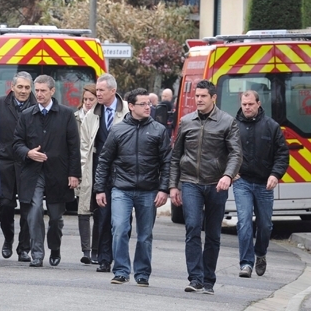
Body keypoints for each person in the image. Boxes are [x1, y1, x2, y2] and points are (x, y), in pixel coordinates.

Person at [170, 79, 241, 295]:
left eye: (203, 96)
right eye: (197, 96)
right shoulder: (186, 121)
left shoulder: (227, 122)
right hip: (190, 182)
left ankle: (209, 279)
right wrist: (173, 186)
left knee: (213, 233)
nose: (199, 100)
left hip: (216, 184)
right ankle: (195, 278)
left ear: (213, 98)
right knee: (192, 227)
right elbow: (176, 156)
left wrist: (228, 175)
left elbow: (236, 153)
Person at [94, 88, 170, 286]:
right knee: (119, 228)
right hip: (121, 189)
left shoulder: (159, 130)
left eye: (149, 104)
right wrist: (99, 189)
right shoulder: (118, 130)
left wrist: (164, 189)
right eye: (143, 104)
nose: (147, 107)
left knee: (145, 235)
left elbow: (167, 162)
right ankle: (121, 271)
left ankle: (142, 273)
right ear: (131, 106)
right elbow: (104, 161)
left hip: (149, 190)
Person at [12, 75, 80, 267]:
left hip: (58, 172)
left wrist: (74, 174)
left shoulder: (66, 114)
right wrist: (28, 153)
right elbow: (16, 143)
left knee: (56, 217)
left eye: (43, 90)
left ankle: (55, 247)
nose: (39, 94)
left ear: (52, 91)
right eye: (37, 90)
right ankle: (37, 254)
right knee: (34, 212)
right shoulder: (27, 115)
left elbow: (74, 146)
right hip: (33, 172)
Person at [234, 90, 288, 278]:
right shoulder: (233, 126)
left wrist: (275, 174)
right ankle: (246, 264)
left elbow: (282, 154)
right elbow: (223, 151)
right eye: (244, 104)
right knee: (244, 222)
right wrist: (230, 171)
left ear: (258, 103)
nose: (247, 107)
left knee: (265, 225)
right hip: (242, 182)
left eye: (250, 104)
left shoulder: (271, 126)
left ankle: (261, 253)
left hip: (265, 184)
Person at [80, 73, 128, 273]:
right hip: (101, 172)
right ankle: (104, 259)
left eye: (101, 90)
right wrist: (85, 173)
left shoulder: (127, 112)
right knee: (103, 216)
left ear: (113, 91)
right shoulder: (91, 115)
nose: (97, 93)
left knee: (122, 220)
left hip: (124, 173)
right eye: (97, 90)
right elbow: (85, 146)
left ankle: (120, 257)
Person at [0, 71, 35, 261]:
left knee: (28, 206)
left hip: (28, 163)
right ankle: (8, 238)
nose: (23, 91)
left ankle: (24, 247)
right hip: (5, 162)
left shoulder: (37, 106)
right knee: (5, 205)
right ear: (12, 87)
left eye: (27, 87)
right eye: (20, 87)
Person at [74, 84, 97, 264]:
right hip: (80, 168)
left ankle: (96, 249)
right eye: (85, 99)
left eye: (91, 99)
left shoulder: (100, 117)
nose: (88, 103)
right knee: (82, 209)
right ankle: (86, 250)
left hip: (96, 167)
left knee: (98, 211)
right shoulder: (75, 118)